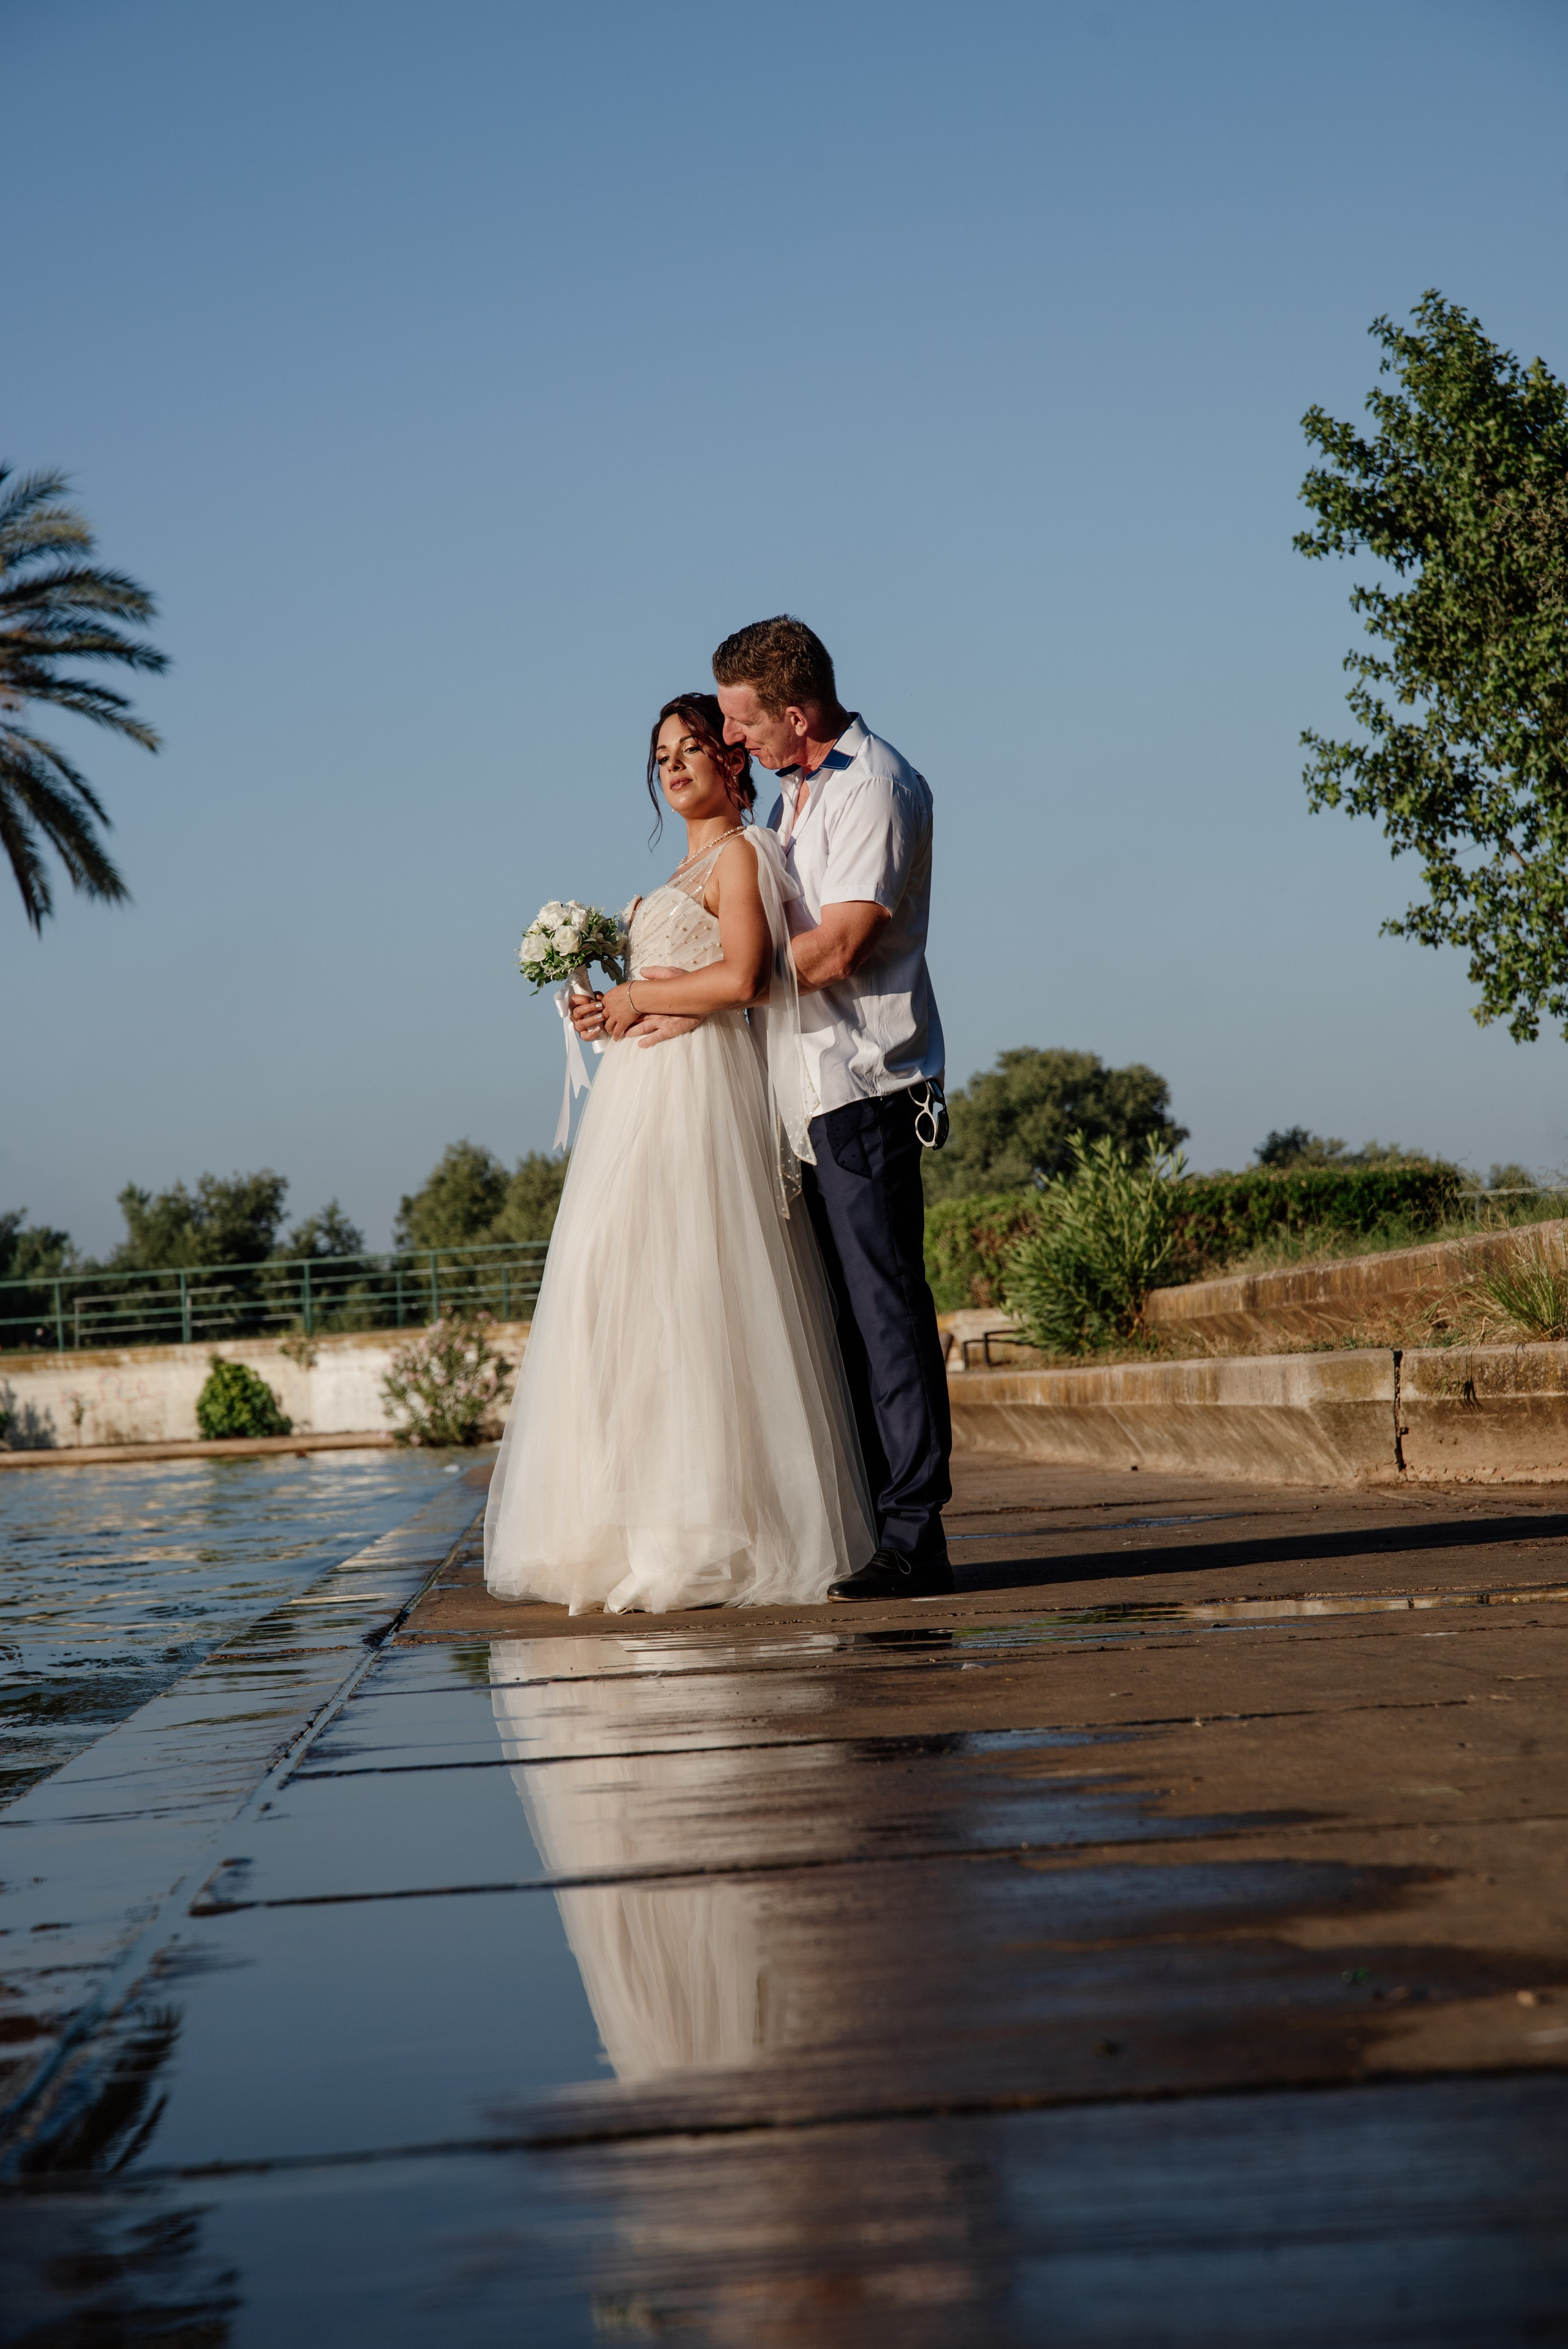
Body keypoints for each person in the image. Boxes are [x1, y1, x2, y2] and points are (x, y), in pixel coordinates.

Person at [573, 618, 953, 1602]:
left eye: (737, 723)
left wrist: (686, 985)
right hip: (798, 1094)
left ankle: (915, 1531)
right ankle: (869, 1523)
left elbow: (835, 953)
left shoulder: (871, 789)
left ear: (792, 712)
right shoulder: (797, 800)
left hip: (863, 1085)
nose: (732, 741)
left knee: (885, 1314)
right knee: (835, 1323)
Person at [483, 694, 875, 1615]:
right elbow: (661, 992)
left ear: (732, 761)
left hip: (699, 1097)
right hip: (637, 1102)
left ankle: (708, 1536)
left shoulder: (741, 855)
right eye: (661, 753)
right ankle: (626, 1525)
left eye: (693, 745)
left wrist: (636, 1002)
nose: (674, 763)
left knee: (695, 1295)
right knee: (619, 1296)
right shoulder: (670, 876)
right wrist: (604, 1007)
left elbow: (742, 977)